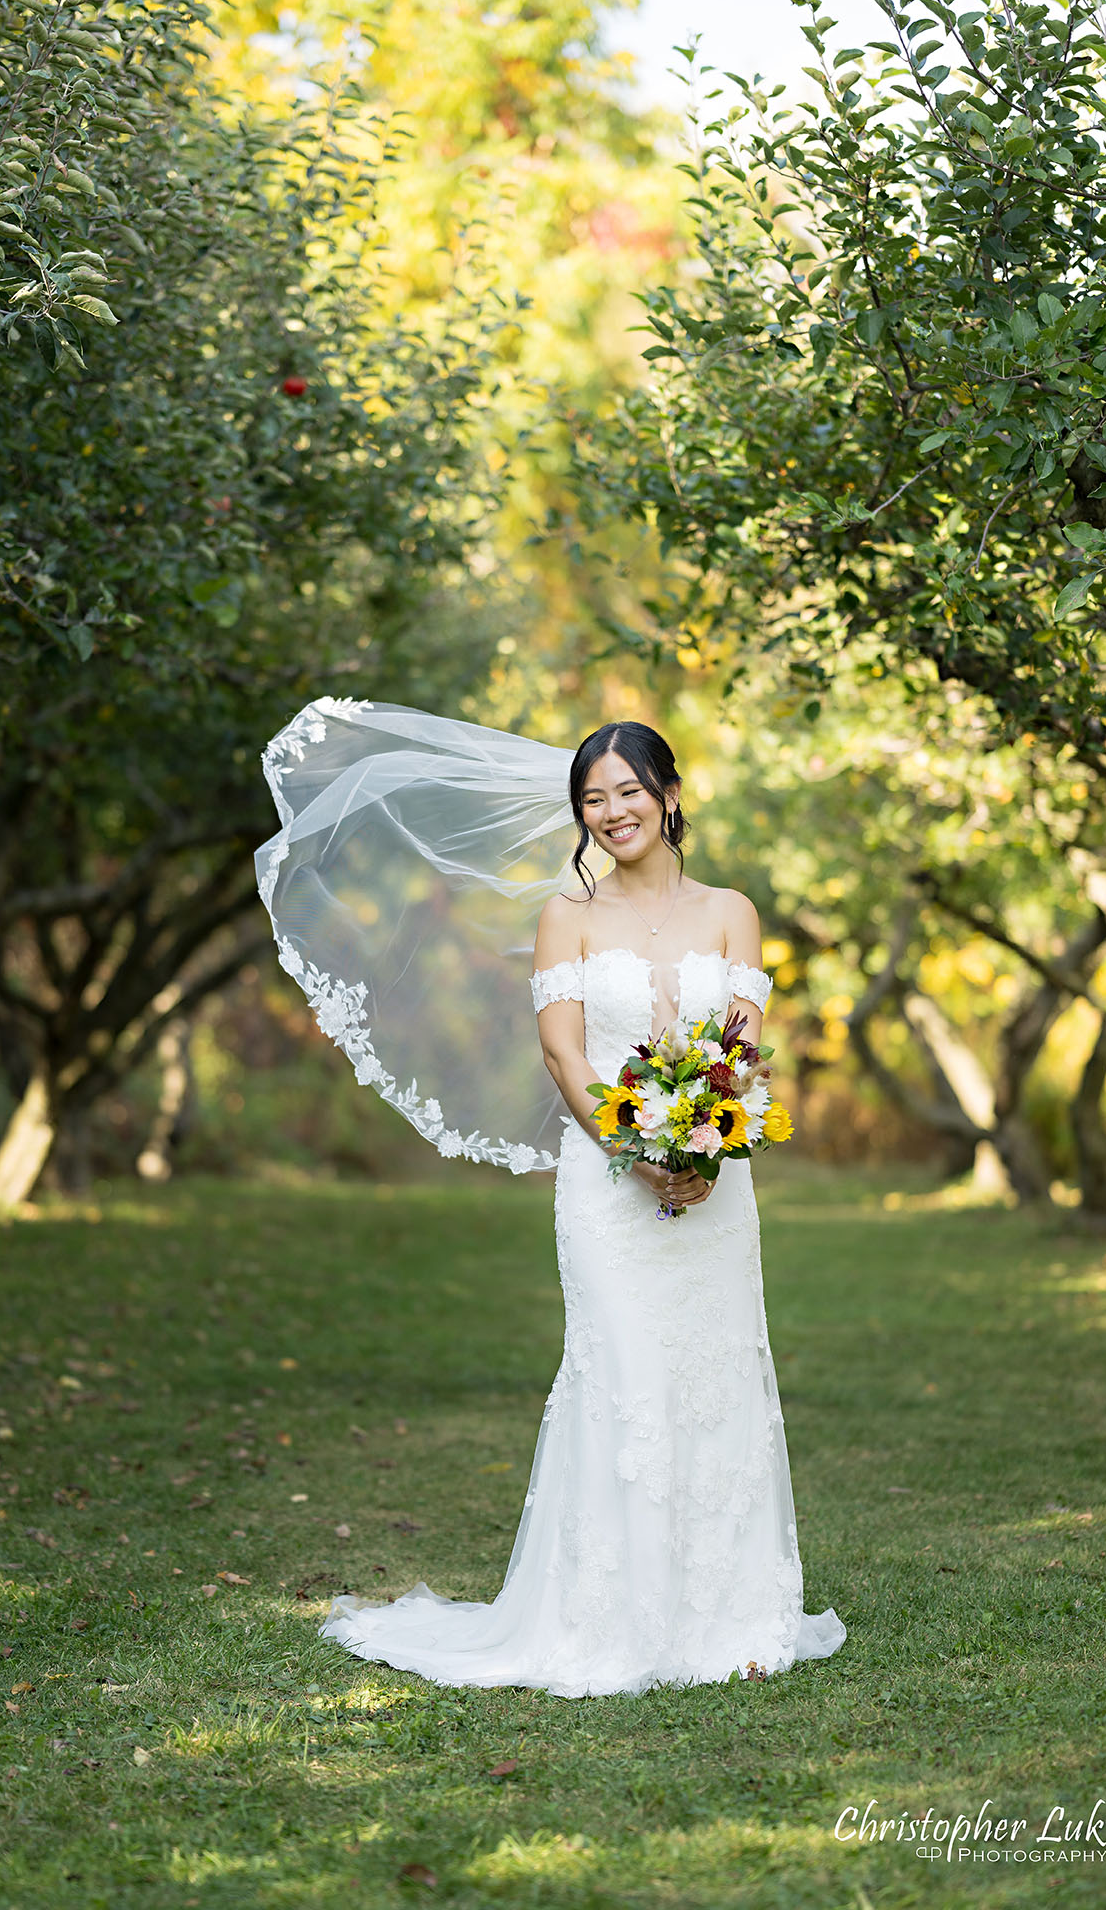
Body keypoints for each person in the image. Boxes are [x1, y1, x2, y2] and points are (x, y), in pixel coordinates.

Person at [257, 702, 846, 1697]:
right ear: (578, 816)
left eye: (627, 791)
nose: (613, 812)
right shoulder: (565, 916)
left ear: (667, 795)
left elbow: (741, 1049)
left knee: (712, 1371)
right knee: (619, 1371)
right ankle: (606, 1619)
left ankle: (727, 1613)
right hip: (605, 1182)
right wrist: (635, 1149)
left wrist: (706, 1135)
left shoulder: (730, 911)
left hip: (713, 1182)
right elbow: (564, 1054)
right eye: (592, 800)